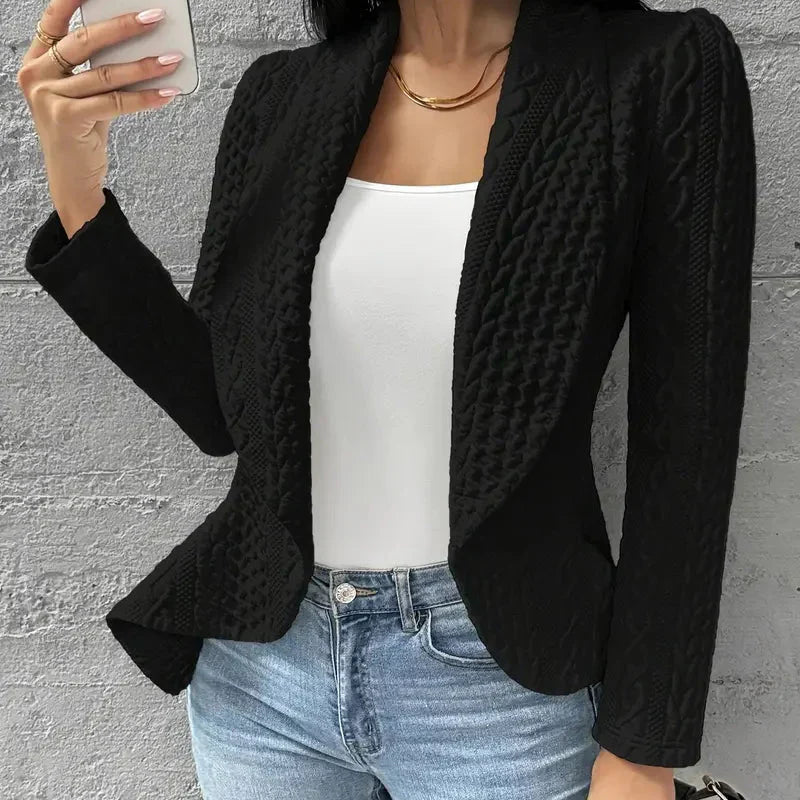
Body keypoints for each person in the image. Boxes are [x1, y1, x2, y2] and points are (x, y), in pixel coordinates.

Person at [17, 0, 757, 797]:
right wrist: (78, 190)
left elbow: (687, 446)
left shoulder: (659, 68)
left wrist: (642, 749)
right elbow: (218, 409)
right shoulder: (282, 93)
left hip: (498, 687)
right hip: (266, 680)